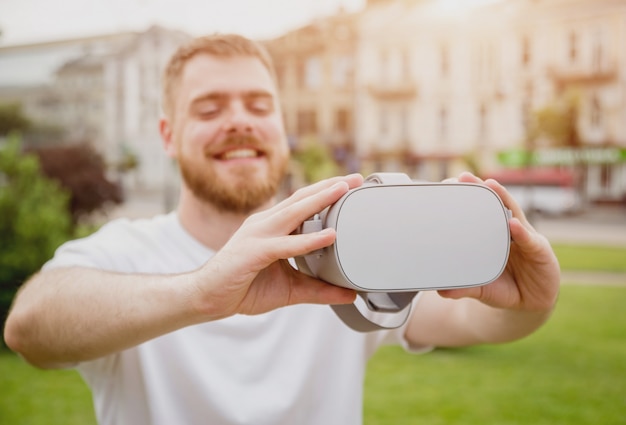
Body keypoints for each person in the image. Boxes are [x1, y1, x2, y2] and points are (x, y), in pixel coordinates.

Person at [3, 34, 560, 425]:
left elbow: (472, 322)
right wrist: (200, 292)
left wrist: (529, 305)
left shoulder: (351, 256)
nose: (240, 119)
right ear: (168, 136)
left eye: (259, 104)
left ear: (282, 129)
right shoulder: (125, 252)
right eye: (210, 107)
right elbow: (30, 328)